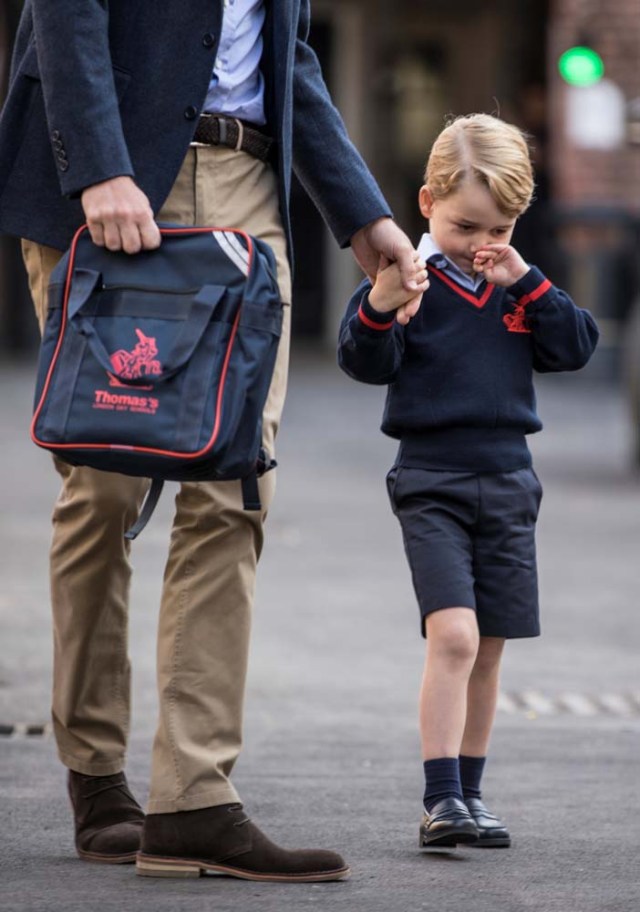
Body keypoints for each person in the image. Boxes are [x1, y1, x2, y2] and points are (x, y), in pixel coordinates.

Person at [0, 0, 428, 882]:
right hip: (109, 184)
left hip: (246, 188)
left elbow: (289, 56)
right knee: (104, 488)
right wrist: (100, 165)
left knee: (237, 485)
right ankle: (96, 775)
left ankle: (192, 799)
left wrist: (360, 214)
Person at [338, 113, 598, 850]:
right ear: (427, 203)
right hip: (431, 478)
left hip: (511, 479)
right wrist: (384, 304)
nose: (485, 243)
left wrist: (528, 279)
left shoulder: (516, 282)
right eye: (466, 225)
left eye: (503, 228)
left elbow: (576, 346)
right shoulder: (408, 281)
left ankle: (473, 796)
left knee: (489, 647)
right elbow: (363, 359)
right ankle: (440, 799)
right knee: (453, 635)